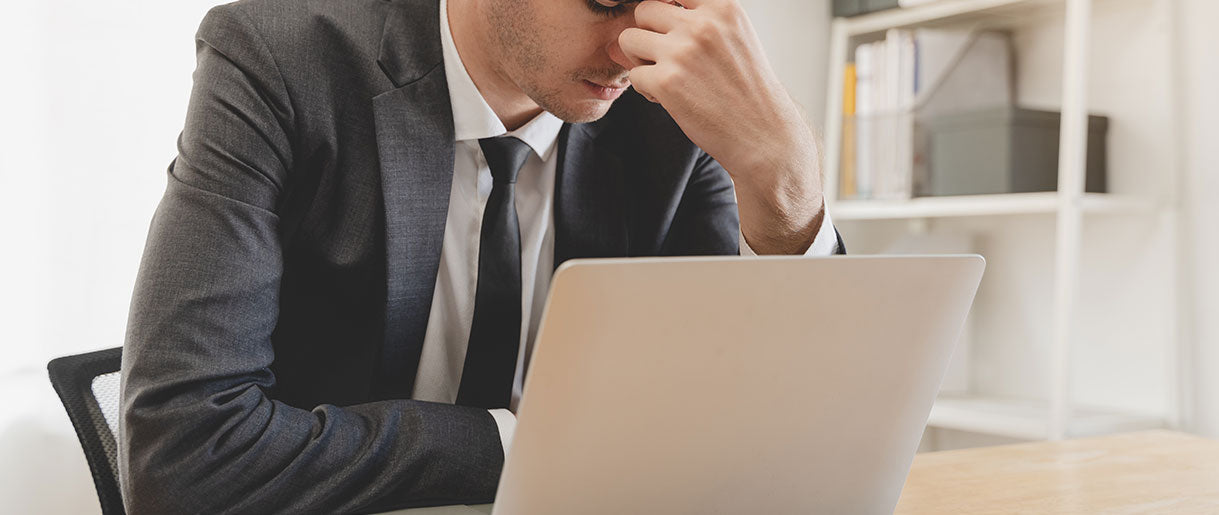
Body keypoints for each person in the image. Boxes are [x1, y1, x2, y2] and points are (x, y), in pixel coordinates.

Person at [119, 0, 845, 512]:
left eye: (676, 4)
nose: (638, 49)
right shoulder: (280, 59)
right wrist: (527, 444)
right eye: (607, 1)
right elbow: (185, 455)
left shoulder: (675, 100)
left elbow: (777, 443)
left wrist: (784, 180)